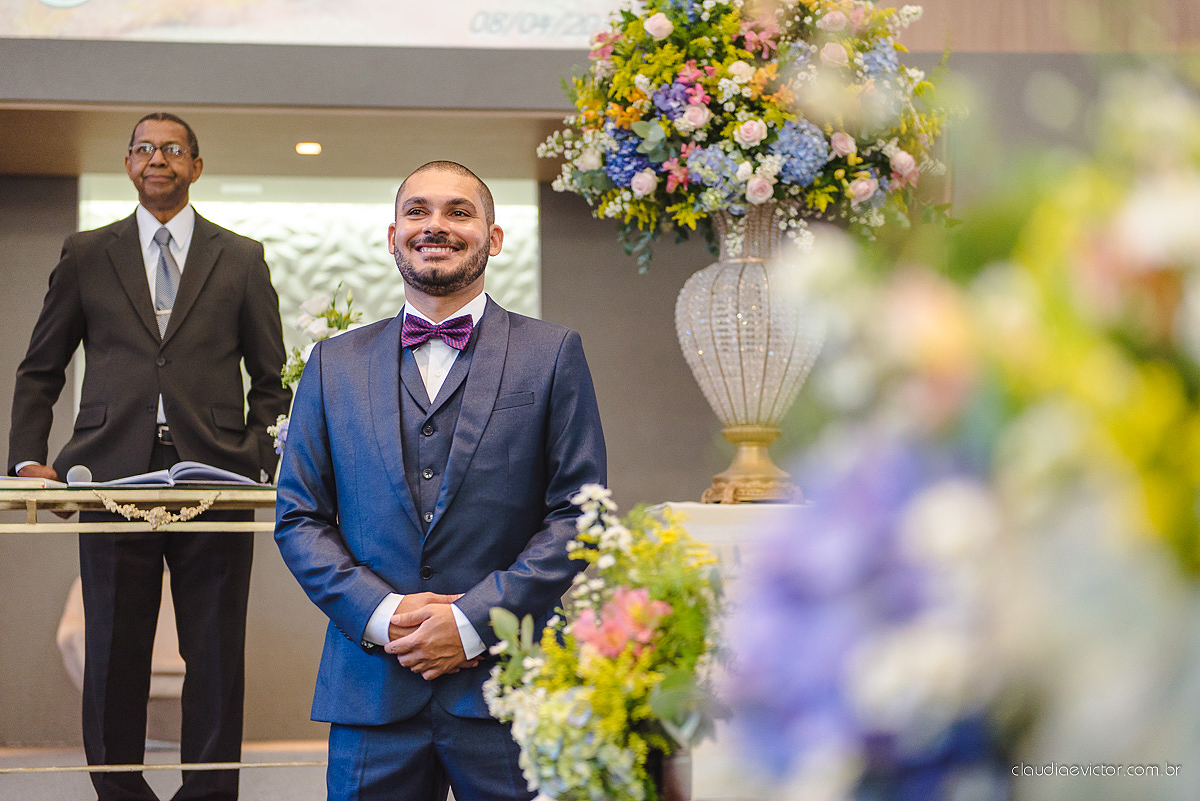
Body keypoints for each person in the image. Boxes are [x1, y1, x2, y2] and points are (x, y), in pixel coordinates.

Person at [274, 161, 606, 801]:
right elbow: (299, 518)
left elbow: (577, 512)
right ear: (391, 234)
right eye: (418, 211)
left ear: (495, 236)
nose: (436, 226)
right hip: (372, 685)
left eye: (459, 211)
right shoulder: (333, 364)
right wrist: (383, 613)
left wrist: (475, 621)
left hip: (509, 688)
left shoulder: (553, 352)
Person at [7, 112, 291, 801]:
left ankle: (209, 793)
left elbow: (272, 377)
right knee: (112, 650)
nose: (156, 157)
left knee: (216, 651)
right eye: (143, 148)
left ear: (196, 165)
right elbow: (41, 367)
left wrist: (259, 453)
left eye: (172, 149)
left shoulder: (242, 256)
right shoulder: (85, 253)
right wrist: (26, 459)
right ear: (128, 164)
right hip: (110, 474)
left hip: (217, 477)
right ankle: (118, 790)